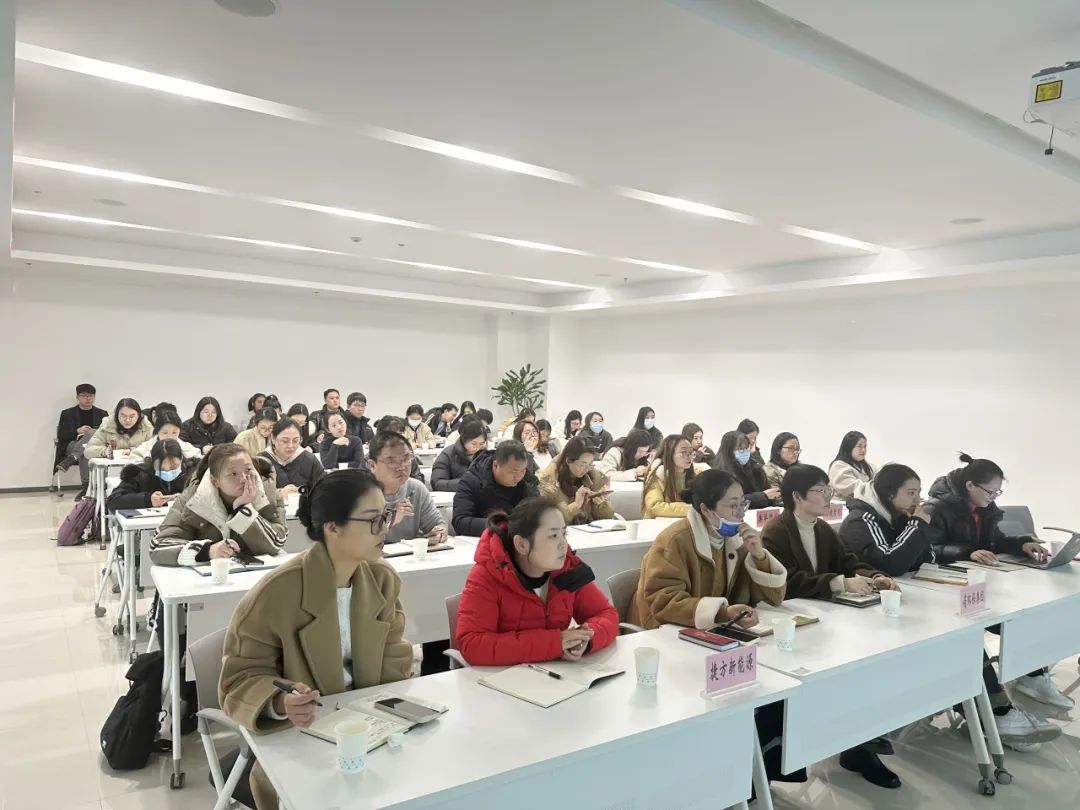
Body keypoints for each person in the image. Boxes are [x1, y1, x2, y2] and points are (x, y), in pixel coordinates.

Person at [219, 469, 411, 810]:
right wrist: (280, 703)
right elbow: (239, 679)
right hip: (302, 735)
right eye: (373, 520)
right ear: (332, 527)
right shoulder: (277, 592)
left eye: (386, 516)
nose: (385, 529)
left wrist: (388, 714)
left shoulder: (382, 580)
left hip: (370, 731)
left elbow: (395, 655)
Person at [760, 463, 902, 789]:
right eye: (821, 491)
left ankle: (858, 747)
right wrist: (837, 583)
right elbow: (787, 583)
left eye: (828, 490)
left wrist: (873, 576)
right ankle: (828, 745)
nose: (828, 496)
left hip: (826, 619)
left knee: (861, 667)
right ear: (797, 496)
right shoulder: (776, 531)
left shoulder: (823, 529)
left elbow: (847, 562)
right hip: (793, 625)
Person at [927, 453, 1072, 715]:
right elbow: (929, 549)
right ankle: (993, 705)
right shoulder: (938, 508)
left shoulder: (986, 508)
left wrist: (1022, 543)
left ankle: (1033, 678)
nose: (994, 497)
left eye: (998, 492)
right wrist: (967, 552)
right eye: (990, 491)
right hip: (946, 589)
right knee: (969, 637)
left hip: (982, 584)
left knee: (1023, 619)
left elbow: (995, 540)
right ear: (970, 485)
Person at [455, 497, 619, 666]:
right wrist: (553, 643)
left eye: (564, 533)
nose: (563, 544)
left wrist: (585, 639)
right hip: (504, 676)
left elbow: (606, 614)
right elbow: (472, 644)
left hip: (559, 674)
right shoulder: (487, 575)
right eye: (553, 535)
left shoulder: (568, 568)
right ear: (521, 545)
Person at [630, 468, 787, 629]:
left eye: (743, 503)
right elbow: (663, 603)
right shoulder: (674, 541)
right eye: (733, 505)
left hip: (715, 630)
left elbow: (773, 600)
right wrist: (722, 613)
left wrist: (759, 557)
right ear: (706, 510)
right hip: (664, 631)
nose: (741, 513)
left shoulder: (740, 541)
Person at [149, 443, 286, 566]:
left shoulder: (268, 494)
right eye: (234, 474)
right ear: (215, 481)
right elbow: (158, 546)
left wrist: (242, 509)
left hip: (255, 577)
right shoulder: (194, 499)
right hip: (206, 580)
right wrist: (208, 551)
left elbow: (275, 544)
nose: (244, 479)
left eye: (248, 470)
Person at [839, 464, 935, 576]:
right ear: (890, 494)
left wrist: (916, 526)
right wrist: (916, 526)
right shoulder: (860, 521)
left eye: (919, 492)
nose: (917, 500)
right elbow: (890, 565)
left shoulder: (900, 515)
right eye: (911, 493)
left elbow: (928, 558)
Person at [367, 431, 447, 547]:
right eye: (392, 461)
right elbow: (357, 539)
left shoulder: (416, 489)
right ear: (372, 465)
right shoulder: (360, 494)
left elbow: (437, 524)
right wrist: (392, 520)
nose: (401, 467)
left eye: (406, 459)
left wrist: (439, 532)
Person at [452, 440, 539, 536]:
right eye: (513, 472)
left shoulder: (527, 482)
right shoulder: (473, 480)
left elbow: (539, 515)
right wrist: (502, 525)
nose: (518, 477)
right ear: (495, 465)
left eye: (522, 470)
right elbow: (460, 522)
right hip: (483, 540)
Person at [537, 436, 614, 525]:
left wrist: (601, 505)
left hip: (588, 530)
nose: (586, 469)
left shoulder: (594, 477)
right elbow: (549, 521)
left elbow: (608, 518)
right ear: (568, 461)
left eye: (590, 464)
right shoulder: (548, 483)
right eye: (582, 464)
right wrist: (575, 505)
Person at [107, 439, 190, 511]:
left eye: (174, 467)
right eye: (161, 469)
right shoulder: (140, 474)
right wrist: (147, 500)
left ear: (181, 459)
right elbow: (114, 501)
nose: (168, 472)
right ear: (153, 462)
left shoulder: (192, 473)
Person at [54, 383, 108, 489]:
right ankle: (88, 485)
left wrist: (92, 433)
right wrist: (76, 431)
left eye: (91, 396)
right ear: (77, 397)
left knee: (87, 444)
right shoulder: (67, 413)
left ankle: (74, 459)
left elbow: (108, 433)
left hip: (95, 445)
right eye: (84, 396)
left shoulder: (102, 414)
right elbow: (61, 434)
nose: (88, 399)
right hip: (72, 444)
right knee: (85, 448)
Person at [259, 418, 325, 497]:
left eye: (295, 441)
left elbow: (324, 486)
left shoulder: (309, 459)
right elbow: (255, 494)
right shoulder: (261, 461)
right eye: (285, 441)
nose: (291, 446)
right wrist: (278, 494)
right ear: (273, 438)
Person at [713, 430, 777, 508]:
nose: (745, 452)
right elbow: (730, 501)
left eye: (747, 448)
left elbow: (769, 494)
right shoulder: (719, 474)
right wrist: (762, 496)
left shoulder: (756, 469)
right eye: (740, 449)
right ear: (729, 451)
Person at [84, 398, 154, 466]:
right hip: (111, 468)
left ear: (138, 415)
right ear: (117, 415)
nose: (127, 420)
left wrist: (131, 451)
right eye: (123, 416)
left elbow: (154, 450)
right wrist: (105, 451)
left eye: (132, 416)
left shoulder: (146, 427)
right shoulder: (107, 426)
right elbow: (88, 451)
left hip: (139, 468)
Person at [641, 434, 696, 519]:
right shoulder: (657, 476)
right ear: (669, 454)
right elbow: (654, 507)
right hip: (659, 524)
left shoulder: (696, 474)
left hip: (686, 522)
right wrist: (691, 509)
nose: (689, 456)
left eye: (690, 452)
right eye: (683, 452)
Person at [431, 417, 488, 492]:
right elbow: (437, 483)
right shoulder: (448, 454)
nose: (477, 448)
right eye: (474, 444)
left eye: (481, 444)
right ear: (464, 440)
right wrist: (465, 483)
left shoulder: (485, 455)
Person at [129, 410, 201, 462]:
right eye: (165, 433)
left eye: (174, 432)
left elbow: (199, 459)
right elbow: (133, 459)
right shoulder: (146, 448)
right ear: (157, 431)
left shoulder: (186, 448)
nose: (170, 437)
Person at [829, 431, 877, 499]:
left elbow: (878, 478)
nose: (863, 450)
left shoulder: (868, 466)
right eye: (859, 446)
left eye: (865, 446)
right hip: (844, 504)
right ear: (849, 447)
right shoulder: (838, 466)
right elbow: (854, 489)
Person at [761, 432, 800, 502]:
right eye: (791, 448)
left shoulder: (801, 468)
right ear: (778, 450)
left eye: (797, 449)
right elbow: (777, 499)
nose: (795, 452)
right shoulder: (769, 470)